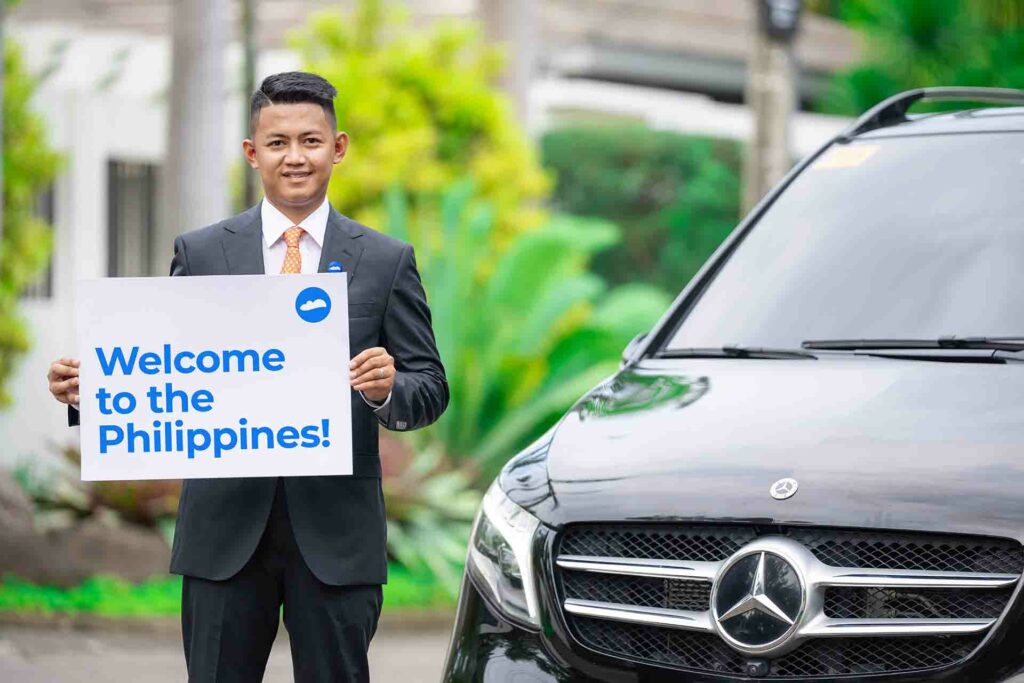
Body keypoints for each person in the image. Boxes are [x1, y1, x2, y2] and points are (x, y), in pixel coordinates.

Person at [45, 71, 449, 682]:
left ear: (337, 148)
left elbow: (429, 385)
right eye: (278, 142)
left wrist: (389, 388)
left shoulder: (386, 260)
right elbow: (171, 369)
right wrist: (94, 394)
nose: (295, 157)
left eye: (310, 141)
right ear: (252, 152)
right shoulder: (202, 252)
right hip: (223, 533)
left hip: (336, 539)